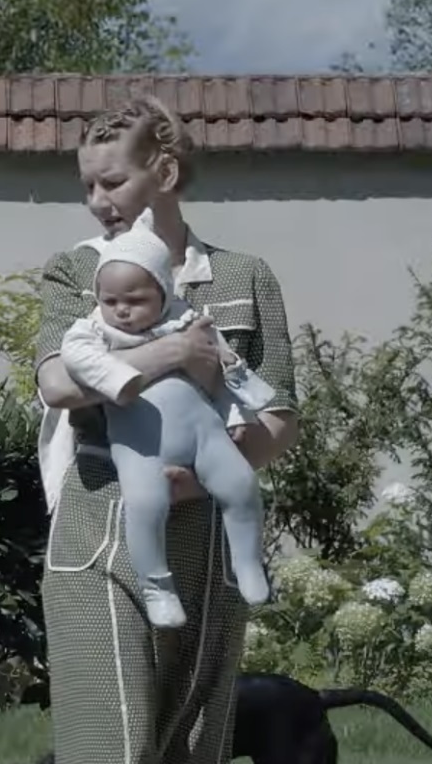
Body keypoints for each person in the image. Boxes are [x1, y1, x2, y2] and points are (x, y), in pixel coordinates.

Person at [33, 94, 299, 764]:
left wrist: (217, 469)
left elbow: (280, 417)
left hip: (209, 551)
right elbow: (60, 380)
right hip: (94, 535)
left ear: (166, 173)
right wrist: (170, 356)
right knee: (112, 743)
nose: (98, 202)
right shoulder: (76, 274)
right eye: (88, 187)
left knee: (191, 748)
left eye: (112, 181)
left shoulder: (247, 278)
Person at [57, 210, 274, 628]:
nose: (121, 311)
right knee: (144, 503)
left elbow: (226, 367)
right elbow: (75, 358)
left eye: (136, 300)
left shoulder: (187, 320)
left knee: (241, 484)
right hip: (138, 442)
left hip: (203, 431)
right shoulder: (94, 331)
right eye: (110, 301)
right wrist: (122, 377)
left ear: (162, 291)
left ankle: (248, 562)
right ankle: (156, 586)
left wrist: (233, 413)